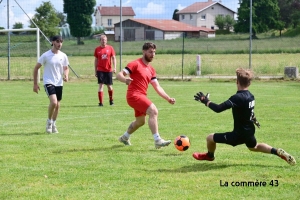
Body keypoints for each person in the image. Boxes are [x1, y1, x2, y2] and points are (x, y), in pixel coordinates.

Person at [193, 68, 296, 166]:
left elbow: (218, 108)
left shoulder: (236, 98)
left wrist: (205, 101)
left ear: (237, 82)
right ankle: (276, 151)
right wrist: (255, 120)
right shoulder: (251, 96)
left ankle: (210, 156)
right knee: (254, 147)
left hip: (239, 134)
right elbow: (250, 112)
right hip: (249, 130)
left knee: (210, 138)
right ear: (249, 83)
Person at [116, 42, 176, 149]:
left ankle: (124, 137)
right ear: (143, 52)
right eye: (150, 52)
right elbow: (119, 74)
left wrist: (168, 98)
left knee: (140, 121)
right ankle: (157, 140)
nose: (152, 54)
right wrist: (125, 80)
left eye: (154, 52)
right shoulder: (135, 64)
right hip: (133, 95)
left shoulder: (151, 70)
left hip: (141, 95)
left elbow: (157, 87)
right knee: (153, 111)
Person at [33, 35, 69, 134]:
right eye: (57, 41)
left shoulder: (63, 56)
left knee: (57, 106)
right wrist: (35, 84)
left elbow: (66, 68)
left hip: (59, 83)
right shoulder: (46, 55)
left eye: (61, 42)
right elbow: (36, 68)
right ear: (53, 42)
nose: (59, 44)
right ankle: (49, 122)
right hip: (48, 81)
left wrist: (66, 75)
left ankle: (54, 124)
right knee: (53, 102)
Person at [94, 34, 117, 106]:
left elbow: (113, 58)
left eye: (105, 40)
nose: (104, 41)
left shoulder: (110, 48)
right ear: (100, 41)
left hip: (108, 70)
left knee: (109, 86)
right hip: (100, 70)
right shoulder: (97, 49)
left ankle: (111, 100)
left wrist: (115, 67)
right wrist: (95, 70)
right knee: (101, 85)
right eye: (102, 40)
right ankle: (101, 103)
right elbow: (96, 60)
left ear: (107, 41)